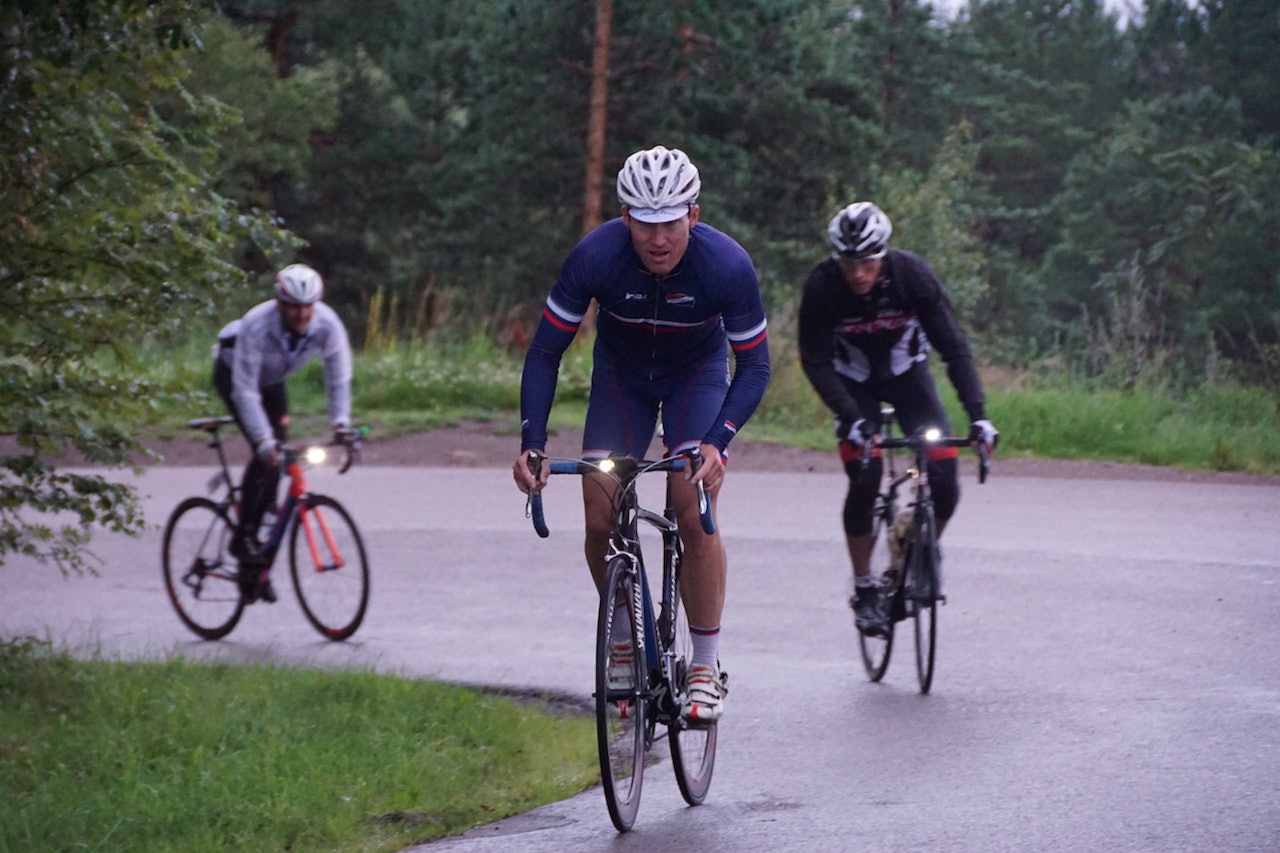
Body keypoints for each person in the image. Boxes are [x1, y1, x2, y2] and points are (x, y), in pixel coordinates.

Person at [511, 145, 771, 723]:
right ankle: (625, 638)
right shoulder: (596, 256)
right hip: (621, 379)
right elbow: (545, 352)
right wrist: (532, 441)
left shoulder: (726, 266)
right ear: (626, 217)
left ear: (693, 217)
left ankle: (704, 665)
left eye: (671, 223)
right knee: (600, 510)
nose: (658, 238)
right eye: (645, 223)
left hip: (696, 379)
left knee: (690, 502)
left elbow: (754, 366)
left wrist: (718, 440)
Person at [798, 201, 997, 637]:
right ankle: (865, 585)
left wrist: (978, 416)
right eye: (849, 263)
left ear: (882, 255)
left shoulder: (912, 276)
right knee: (865, 478)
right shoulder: (822, 286)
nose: (858, 274)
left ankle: (922, 546)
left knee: (944, 480)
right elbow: (814, 360)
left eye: (867, 262)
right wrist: (849, 416)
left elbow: (954, 348)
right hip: (855, 388)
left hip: (909, 378)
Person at [212, 263, 354, 603]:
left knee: (279, 463)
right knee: (267, 454)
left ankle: (258, 561)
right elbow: (244, 391)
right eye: (294, 306)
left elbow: (338, 376)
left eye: (308, 305)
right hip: (235, 375)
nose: (302, 313)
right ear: (279, 303)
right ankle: (243, 537)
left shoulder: (327, 323)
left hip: (273, 382)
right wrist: (262, 442)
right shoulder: (256, 325)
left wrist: (341, 425)